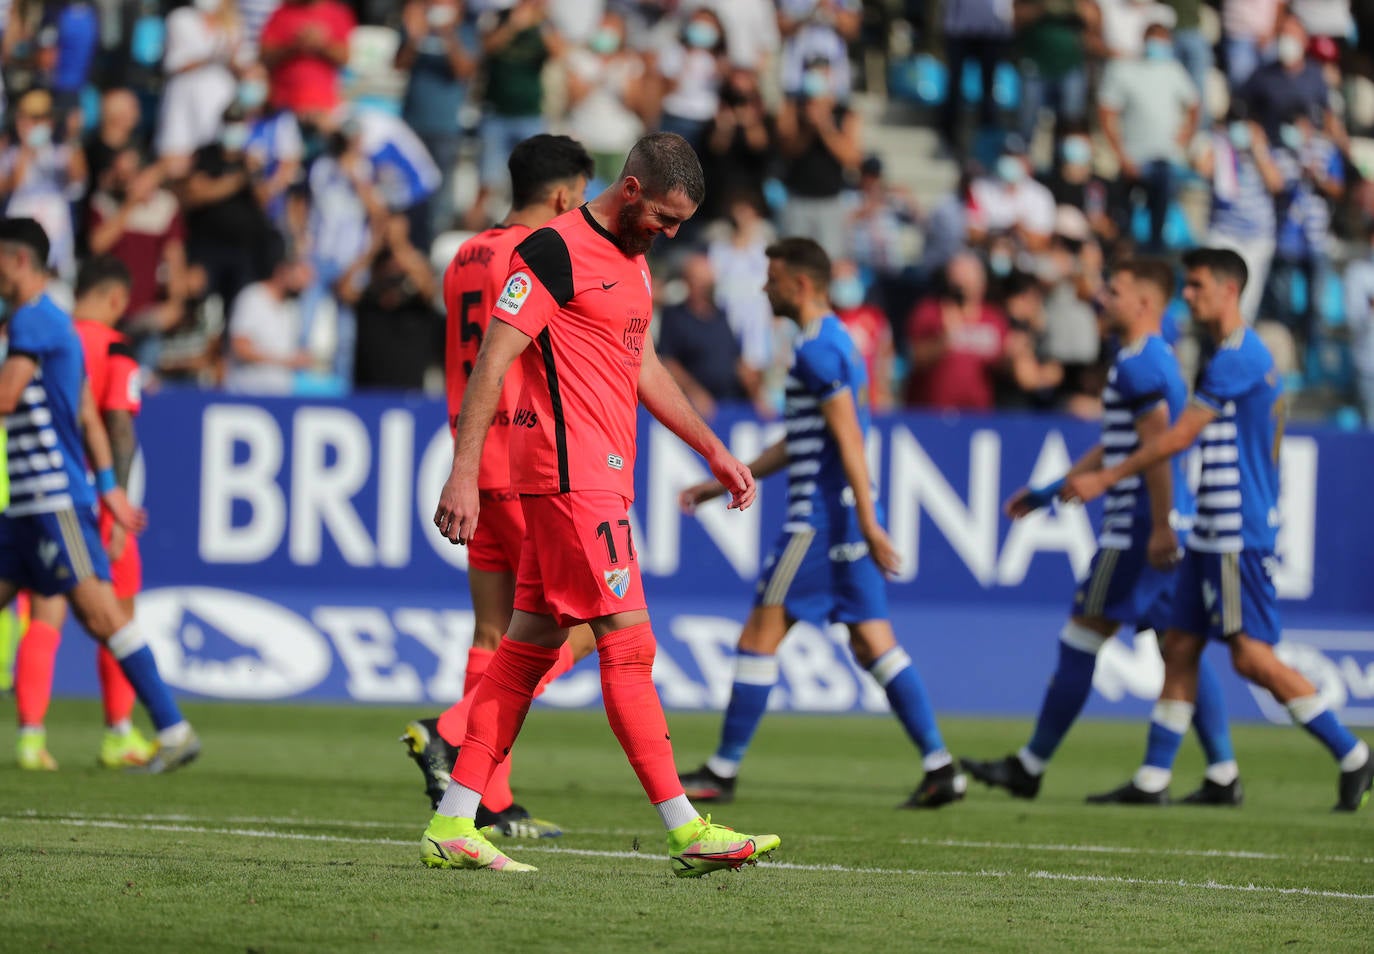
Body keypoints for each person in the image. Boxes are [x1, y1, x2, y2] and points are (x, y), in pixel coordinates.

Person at [425, 132, 779, 875]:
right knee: (629, 644)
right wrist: (463, 472)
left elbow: (641, 365)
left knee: (524, 653)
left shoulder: (636, 264)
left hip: (597, 478)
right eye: (665, 217)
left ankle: (455, 821)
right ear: (629, 191)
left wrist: (712, 449)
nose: (672, 233)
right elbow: (495, 357)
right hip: (567, 478)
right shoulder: (553, 252)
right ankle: (685, 829)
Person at [1064, 247, 1374, 811]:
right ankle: (1154, 779)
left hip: (1238, 532)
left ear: (1229, 290)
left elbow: (1179, 437)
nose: (1188, 295)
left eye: (1198, 285)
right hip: (1212, 529)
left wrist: (1105, 475)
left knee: (1251, 657)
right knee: (1179, 646)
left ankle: (1353, 752)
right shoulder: (1232, 354)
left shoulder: (1238, 357)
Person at [677, 238, 965, 810]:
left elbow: (851, 438)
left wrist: (866, 518)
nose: (765, 287)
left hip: (818, 522)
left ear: (802, 285)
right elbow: (811, 437)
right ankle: (941, 768)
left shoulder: (816, 351)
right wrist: (728, 478)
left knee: (758, 636)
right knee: (872, 643)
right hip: (845, 523)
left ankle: (722, 770)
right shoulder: (832, 344)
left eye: (773, 278)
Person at [962, 259, 1240, 803]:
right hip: (1154, 521)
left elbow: (1156, 454)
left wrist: (1160, 525)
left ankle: (1032, 764)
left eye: (1113, 291)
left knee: (1081, 636)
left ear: (1143, 303)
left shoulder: (1140, 366)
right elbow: (1126, 443)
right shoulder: (1145, 361)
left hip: (1135, 527)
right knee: (1176, 645)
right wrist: (1052, 489)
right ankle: (1222, 773)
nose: (1101, 298)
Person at [400, 135, 597, 838]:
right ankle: (454, 729)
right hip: (523, 460)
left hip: (472, 456)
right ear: (565, 196)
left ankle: (487, 800)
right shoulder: (533, 258)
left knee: (494, 631)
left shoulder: (463, 254)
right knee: (587, 625)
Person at [0, 217, 200, 775]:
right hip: (27, 505)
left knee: (102, 615)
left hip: (52, 499)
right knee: (95, 614)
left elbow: (7, 395)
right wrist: (110, 490)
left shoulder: (34, 321)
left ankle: (172, 728)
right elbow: (88, 412)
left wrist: (102, 491)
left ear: (18, 261)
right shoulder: (53, 325)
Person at [13, 256, 156, 770]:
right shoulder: (117, 348)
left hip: (38, 491)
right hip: (94, 499)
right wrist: (115, 505)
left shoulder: (48, 336)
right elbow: (117, 426)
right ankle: (119, 732)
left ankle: (30, 736)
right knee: (116, 615)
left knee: (44, 613)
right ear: (117, 299)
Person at [1097, 22, 1199, 253]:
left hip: (1163, 160)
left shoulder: (1173, 70)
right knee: (1121, 221)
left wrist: (1186, 135)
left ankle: (1154, 255)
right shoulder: (1124, 69)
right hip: (1132, 159)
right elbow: (1106, 112)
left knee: (1158, 218)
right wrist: (1121, 154)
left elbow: (1194, 105)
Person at [223, 231, 313, 394]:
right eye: (301, 268)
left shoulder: (291, 309)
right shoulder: (252, 297)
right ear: (283, 270)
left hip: (280, 398)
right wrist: (286, 361)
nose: (308, 276)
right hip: (248, 399)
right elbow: (240, 347)